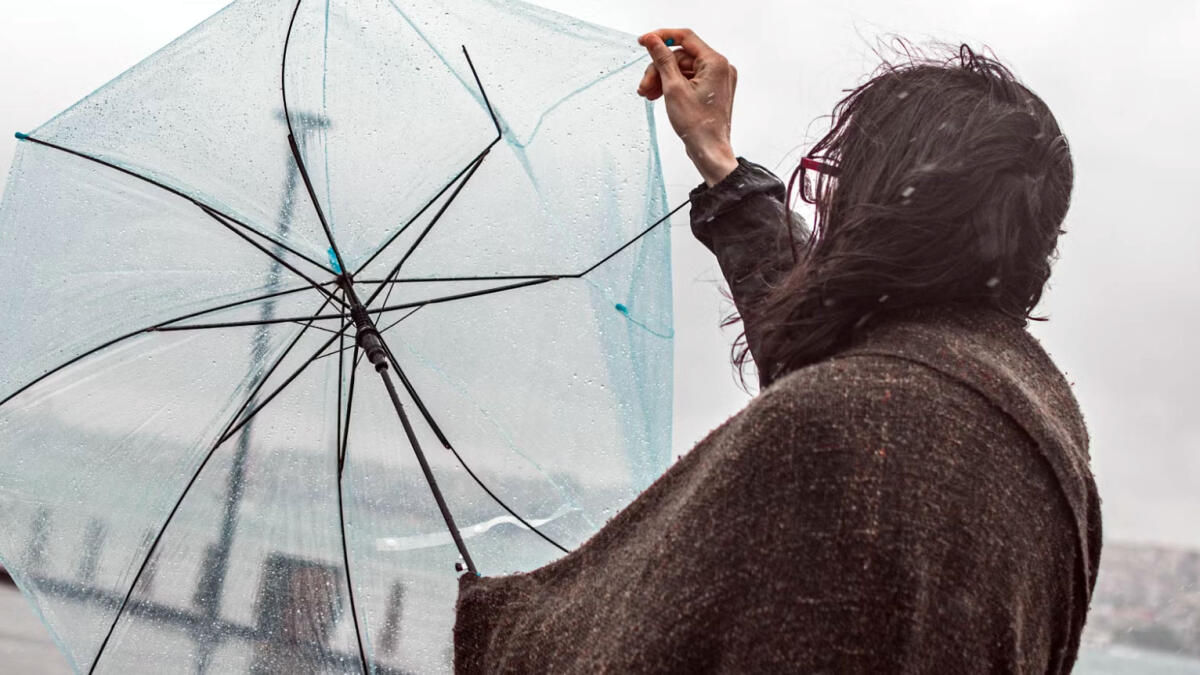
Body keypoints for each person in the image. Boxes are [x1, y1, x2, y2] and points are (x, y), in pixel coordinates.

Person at [455, 29, 1101, 674]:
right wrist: (719, 159)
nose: (829, 208)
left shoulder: (831, 428)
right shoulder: (1043, 438)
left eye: (841, 186)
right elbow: (861, 350)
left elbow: (636, 646)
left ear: (887, 215)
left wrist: (504, 627)